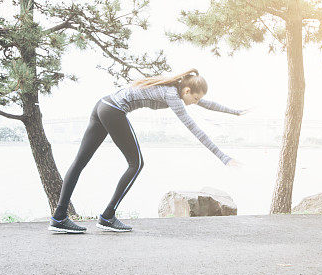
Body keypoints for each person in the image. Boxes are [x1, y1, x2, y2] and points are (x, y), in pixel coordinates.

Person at [48, 68, 248, 234]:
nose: (196, 103)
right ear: (187, 91)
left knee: (79, 163)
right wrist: (224, 157)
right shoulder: (173, 97)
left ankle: (59, 217)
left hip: (103, 105)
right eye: (194, 98)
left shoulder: (177, 87)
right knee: (136, 164)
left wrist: (235, 112)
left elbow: (207, 103)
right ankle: (107, 217)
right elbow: (197, 131)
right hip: (114, 111)